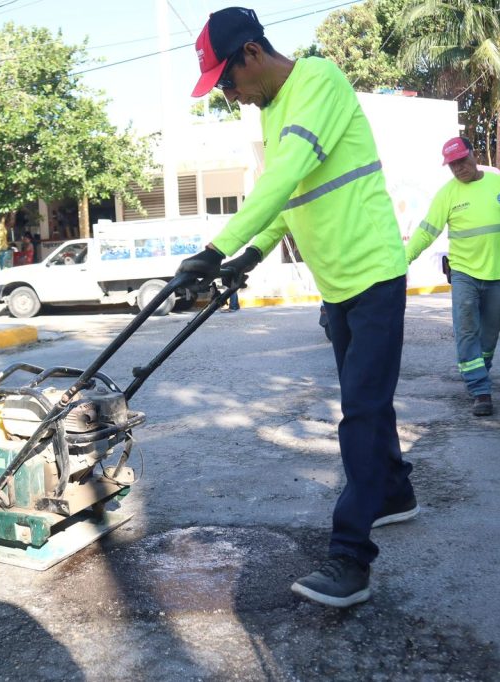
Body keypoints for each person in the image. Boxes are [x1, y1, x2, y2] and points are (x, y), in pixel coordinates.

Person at [177, 7, 416, 608]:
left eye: (228, 82)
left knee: (360, 411)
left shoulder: (319, 80)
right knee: (368, 401)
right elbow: (292, 199)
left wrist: (216, 247)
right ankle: (396, 492)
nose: (230, 96)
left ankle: (351, 558)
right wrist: (250, 255)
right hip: (336, 284)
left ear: (252, 54)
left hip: (374, 274)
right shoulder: (273, 110)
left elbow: (284, 177)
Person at [405, 137, 500, 417]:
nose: (458, 168)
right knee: (466, 331)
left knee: (490, 333)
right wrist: (403, 259)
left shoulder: (498, 185)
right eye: (452, 165)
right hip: (464, 273)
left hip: (497, 274)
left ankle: (480, 370)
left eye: (462, 161)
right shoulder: (447, 194)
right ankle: (480, 390)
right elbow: (427, 230)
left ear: (473, 155)